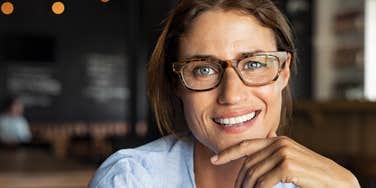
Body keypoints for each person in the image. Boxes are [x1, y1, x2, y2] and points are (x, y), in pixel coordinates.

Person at [89, 0, 360, 187]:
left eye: (254, 64)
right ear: (177, 84)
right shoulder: (131, 179)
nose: (231, 95)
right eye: (204, 70)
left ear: (284, 71)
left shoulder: (321, 185)